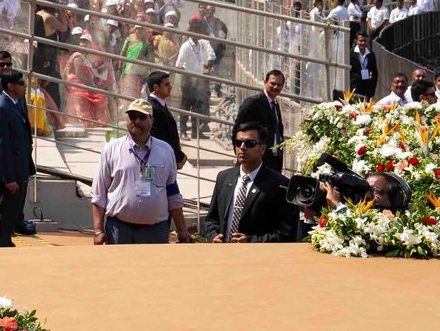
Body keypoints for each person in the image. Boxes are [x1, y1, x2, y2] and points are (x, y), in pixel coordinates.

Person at [91, 100, 193, 244]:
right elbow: (99, 193)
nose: (136, 121)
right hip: (119, 230)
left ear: (151, 120)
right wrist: (98, 230)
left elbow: (173, 193)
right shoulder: (111, 150)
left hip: (155, 231)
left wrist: (182, 229)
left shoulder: (165, 151)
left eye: (142, 117)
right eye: (132, 117)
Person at [199, 120, 294, 243]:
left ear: (263, 148)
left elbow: (286, 232)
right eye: (238, 143)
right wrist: (213, 235)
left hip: (258, 257)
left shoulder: (279, 184)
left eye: (250, 143)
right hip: (223, 254)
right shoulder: (224, 177)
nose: (242, 148)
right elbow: (211, 219)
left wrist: (251, 241)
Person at [0, 69, 34, 247]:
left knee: (11, 212)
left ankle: (5, 242)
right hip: (7, 174)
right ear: (10, 86)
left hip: (18, 169)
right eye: (21, 84)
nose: (25, 87)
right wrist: (9, 178)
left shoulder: (15, 103)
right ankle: (0, 247)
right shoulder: (0, 107)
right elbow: (0, 147)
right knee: (4, 214)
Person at [234, 70, 287, 170]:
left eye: (279, 84)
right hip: (256, 159)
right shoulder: (253, 103)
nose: (275, 87)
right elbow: (237, 129)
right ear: (265, 82)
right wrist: (239, 155)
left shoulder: (275, 105)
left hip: (273, 160)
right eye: (272, 83)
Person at [142, 69, 185, 169]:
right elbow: (160, 138)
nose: (170, 87)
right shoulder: (153, 108)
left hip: (165, 162)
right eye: (166, 85)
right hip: (158, 163)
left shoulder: (160, 105)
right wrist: (179, 156)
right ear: (156, 87)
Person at [350, 32, 379, 99]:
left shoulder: (371, 55)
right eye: (361, 41)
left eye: (365, 41)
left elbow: (374, 72)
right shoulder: (351, 54)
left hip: (367, 88)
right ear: (356, 41)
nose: (363, 43)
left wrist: (372, 88)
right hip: (354, 87)